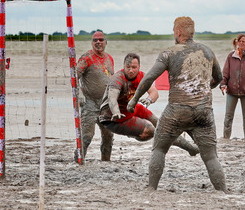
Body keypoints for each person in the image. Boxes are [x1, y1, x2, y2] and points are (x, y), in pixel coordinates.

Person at [127, 16, 227, 193]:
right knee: (211, 156)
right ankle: (222, 190)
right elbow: (218, 78)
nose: (173, 33)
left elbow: (149, 77)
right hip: (203, 111)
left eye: (174, 30)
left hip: (177, 111)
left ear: (178, 32)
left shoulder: (169, 53)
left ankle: (152, 188)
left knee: (159, 148)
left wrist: (134, 100)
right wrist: (206, 87)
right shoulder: (208, 52)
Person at [98, 53, 199, 159]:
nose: (131, 70)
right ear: (124, 66)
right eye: (128, 67)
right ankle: (191, 148)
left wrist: (148, 99)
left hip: (131, 108)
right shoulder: (118, 79)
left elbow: (154, 92)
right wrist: (116, 111)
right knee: (152, 130)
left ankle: (192, 147)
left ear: (139, 67)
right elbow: (112, 98)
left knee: (162, 125)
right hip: (113, 118)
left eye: (134, 67)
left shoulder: (142, 76)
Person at [75, 31, 115, 162]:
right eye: (95, 40)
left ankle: (106, 162)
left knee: (108, 135)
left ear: (105, 42)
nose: (98, 42)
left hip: (105, 104)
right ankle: (79, 162)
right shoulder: (86, 58)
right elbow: (74, 76)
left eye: (101, 40)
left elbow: (112, 79)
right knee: (87, 136)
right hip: (89, 103)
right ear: (92, 43)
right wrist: (79, 94)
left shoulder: (109, 58)